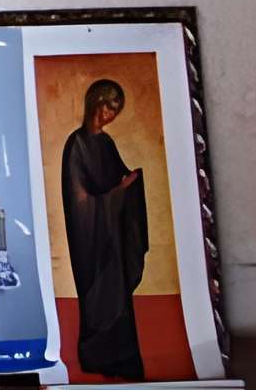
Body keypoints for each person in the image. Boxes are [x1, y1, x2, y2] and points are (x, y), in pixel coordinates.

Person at [61, 77, 150, 380]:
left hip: (113, 240)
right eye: (107, 107)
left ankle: (120, 357)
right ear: (94, 103)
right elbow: (80, 202)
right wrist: (119, 192)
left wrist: (130, 183)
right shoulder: (76, 145)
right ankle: (97, 355)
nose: (109, 116)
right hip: (92, 240)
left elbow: (118, 176)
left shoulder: (106, 143)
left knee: (119, 300)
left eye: (115, 112)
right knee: (97, 300)